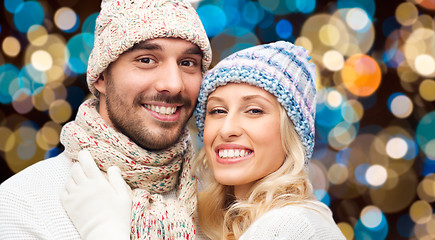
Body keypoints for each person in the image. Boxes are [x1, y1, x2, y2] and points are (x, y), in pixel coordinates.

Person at [61, 41, 346, 239]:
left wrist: (105, 231)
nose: (227, 129)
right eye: (217, 111)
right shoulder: (227, 222)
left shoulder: (289, 225)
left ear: (291, 132)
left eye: (254, 110)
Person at [0, 0, 212, 239]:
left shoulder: (221, 201)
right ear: (100, 76)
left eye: (187, 63)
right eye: (146, 60)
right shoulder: (23, 204)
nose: (174, 84)